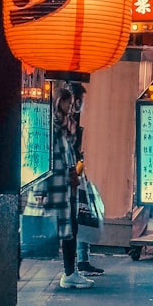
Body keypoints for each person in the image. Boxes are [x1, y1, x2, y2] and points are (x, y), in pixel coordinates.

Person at [37, 87, 93, 289]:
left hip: (66, 186)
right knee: (64, 229)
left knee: (71, 229)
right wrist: (41, 190)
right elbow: (44, 159)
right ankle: (70, 273)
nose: (71, 107)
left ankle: (70, 272)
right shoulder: (51, 127)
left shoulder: (62, 126)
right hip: (55, 187)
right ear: (59, 102)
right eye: (68, 103)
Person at [69, 83, 104, 276]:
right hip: (68, 178)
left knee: (82, 215)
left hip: (76, 174)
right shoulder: (64, 122)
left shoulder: (72, 120)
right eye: (80, 100)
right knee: (76, 218)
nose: (82, 104)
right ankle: (73, 266)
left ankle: (81, 260)